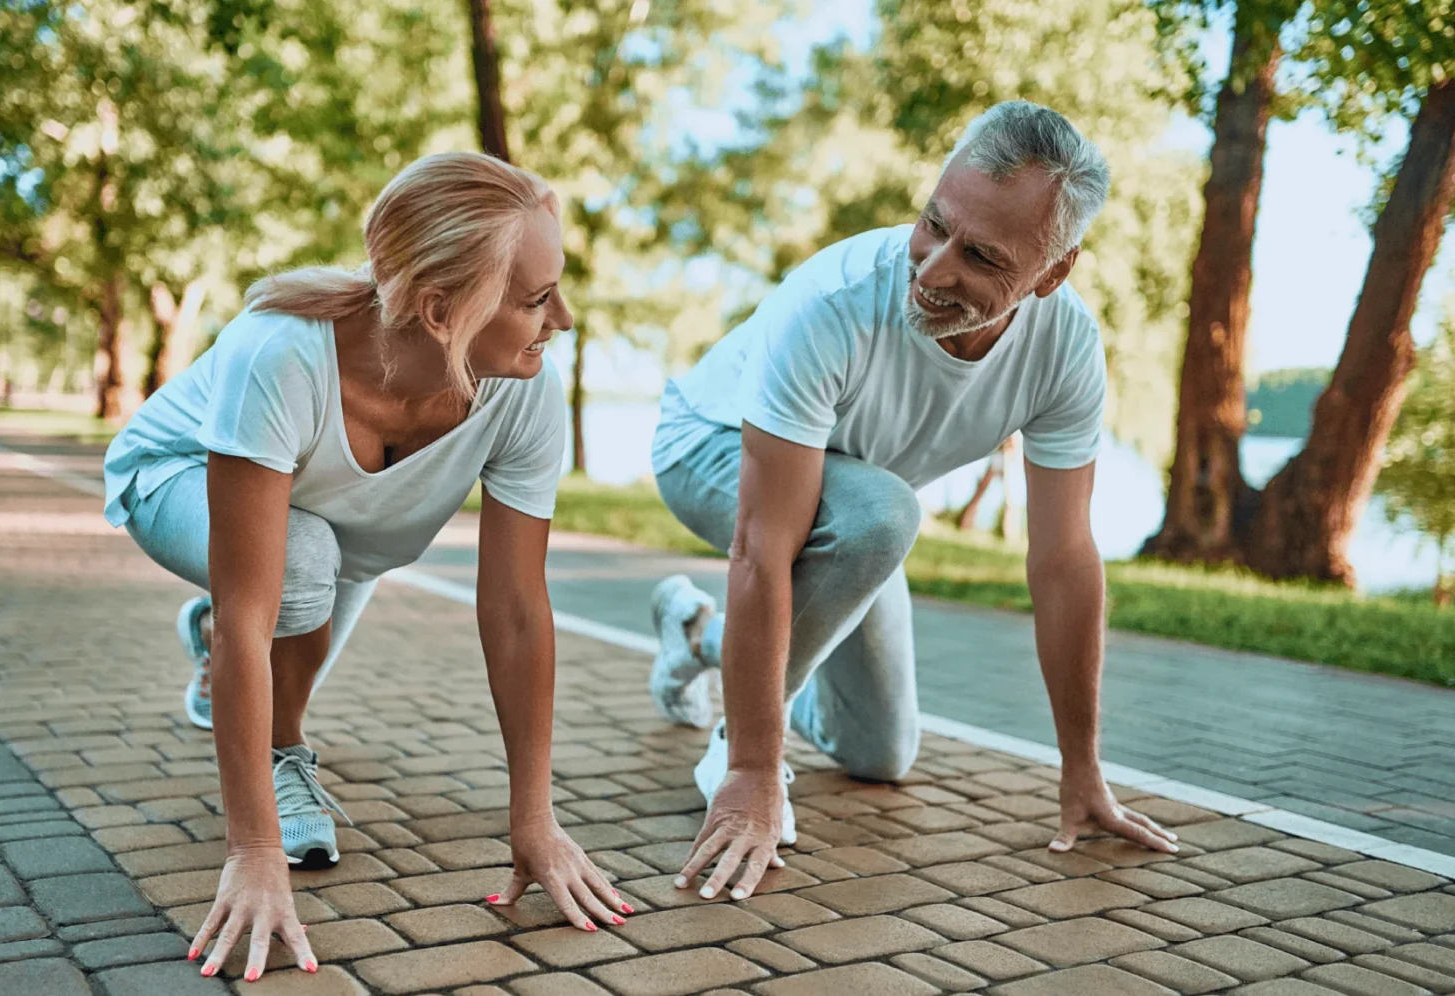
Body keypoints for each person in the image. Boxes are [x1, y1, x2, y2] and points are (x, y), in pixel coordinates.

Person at [102, 152, 631, 984]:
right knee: (291, 579)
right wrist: (253, 850)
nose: (562, 317)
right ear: (441, 308)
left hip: (331, 533)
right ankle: (280, 755)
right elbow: (250, 611)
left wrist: (533, 818)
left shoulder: (521, 390)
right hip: (171, 480)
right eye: (535, 298)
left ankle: (233, 673)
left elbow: (518, 610)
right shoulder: (277, 355)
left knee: (304, 573)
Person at [646, 101, 1182, 904]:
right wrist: (752, 769)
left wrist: (1083, 772)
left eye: (982, 257)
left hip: (856, 500)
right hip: (710, 445)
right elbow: (764, 547)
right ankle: (738, 730)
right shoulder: (833, 304)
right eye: (934, 223)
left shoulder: (1065, 349)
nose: (932, 270)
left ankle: (695, 630)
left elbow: (1065, 560)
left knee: (881, 754)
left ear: (1053, 271)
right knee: (882, 519)